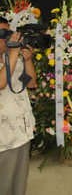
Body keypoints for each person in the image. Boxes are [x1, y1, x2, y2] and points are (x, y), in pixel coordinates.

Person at [0, 17, 37, 195]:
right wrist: (13, 54)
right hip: (3, 139)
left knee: (18, 186)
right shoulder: (10, 57)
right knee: (4, 185)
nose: (7, 38)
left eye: (9, 33)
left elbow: (30, 83)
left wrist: (27, 60)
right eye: (3, 33)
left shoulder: (11, 58)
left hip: (22, 133)